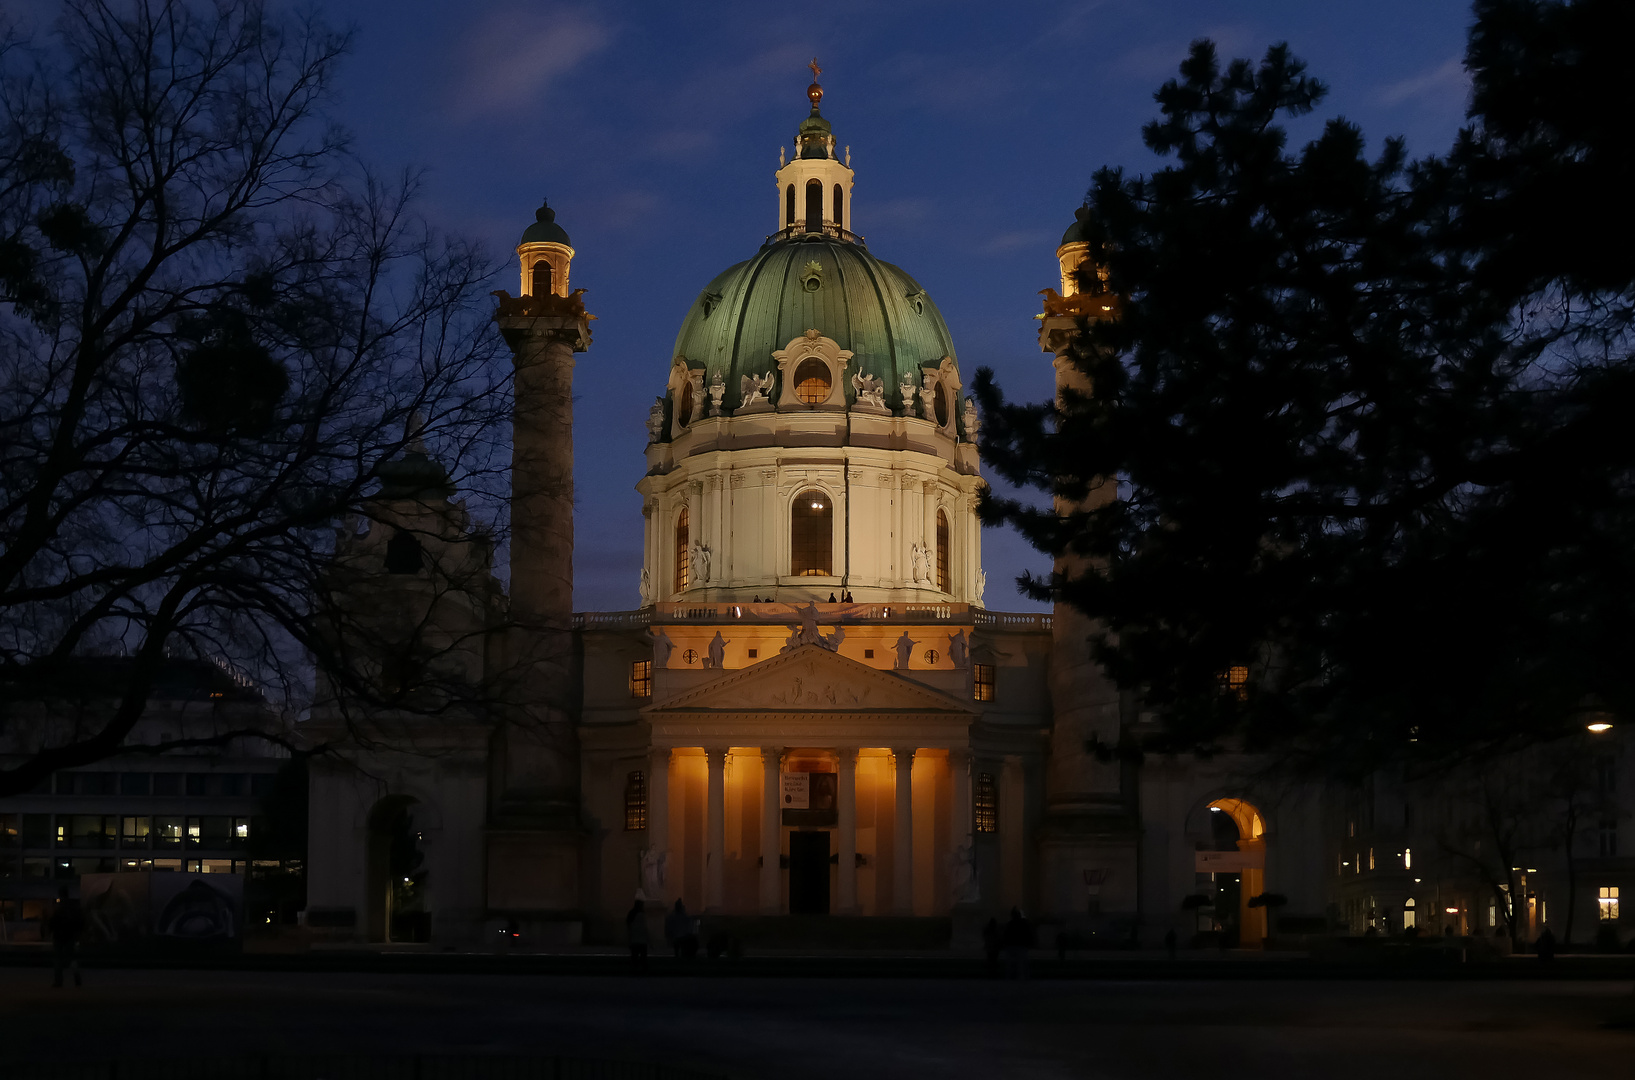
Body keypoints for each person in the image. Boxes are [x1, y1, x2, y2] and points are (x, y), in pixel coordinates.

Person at [49, 886, 85, 989]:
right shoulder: (74, 907)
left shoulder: (58, 908)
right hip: (70, 935)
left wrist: (50, 931)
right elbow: (80, 921)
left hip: (59, 935)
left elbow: (53, 921)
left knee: (58, 958)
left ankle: (58, 981)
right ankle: (77, 977)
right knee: (71, 957)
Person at [1001, 907, 1033, 980]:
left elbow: (1005, 935)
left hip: (1013, 946)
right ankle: (1021, 977)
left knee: (1013, 964)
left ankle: (1013, 977)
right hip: (1020, 946)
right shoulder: (1023, 924)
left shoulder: (1011, 924)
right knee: (1021, 964)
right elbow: (1029, 934)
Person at [625, 894, 649, 973]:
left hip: (635, 940)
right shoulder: (642, 915)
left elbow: (629, 925)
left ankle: (634, 970)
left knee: (635, 957)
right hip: (641, 941)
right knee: (643, 958)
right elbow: (645, 928)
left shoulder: (632, 914)